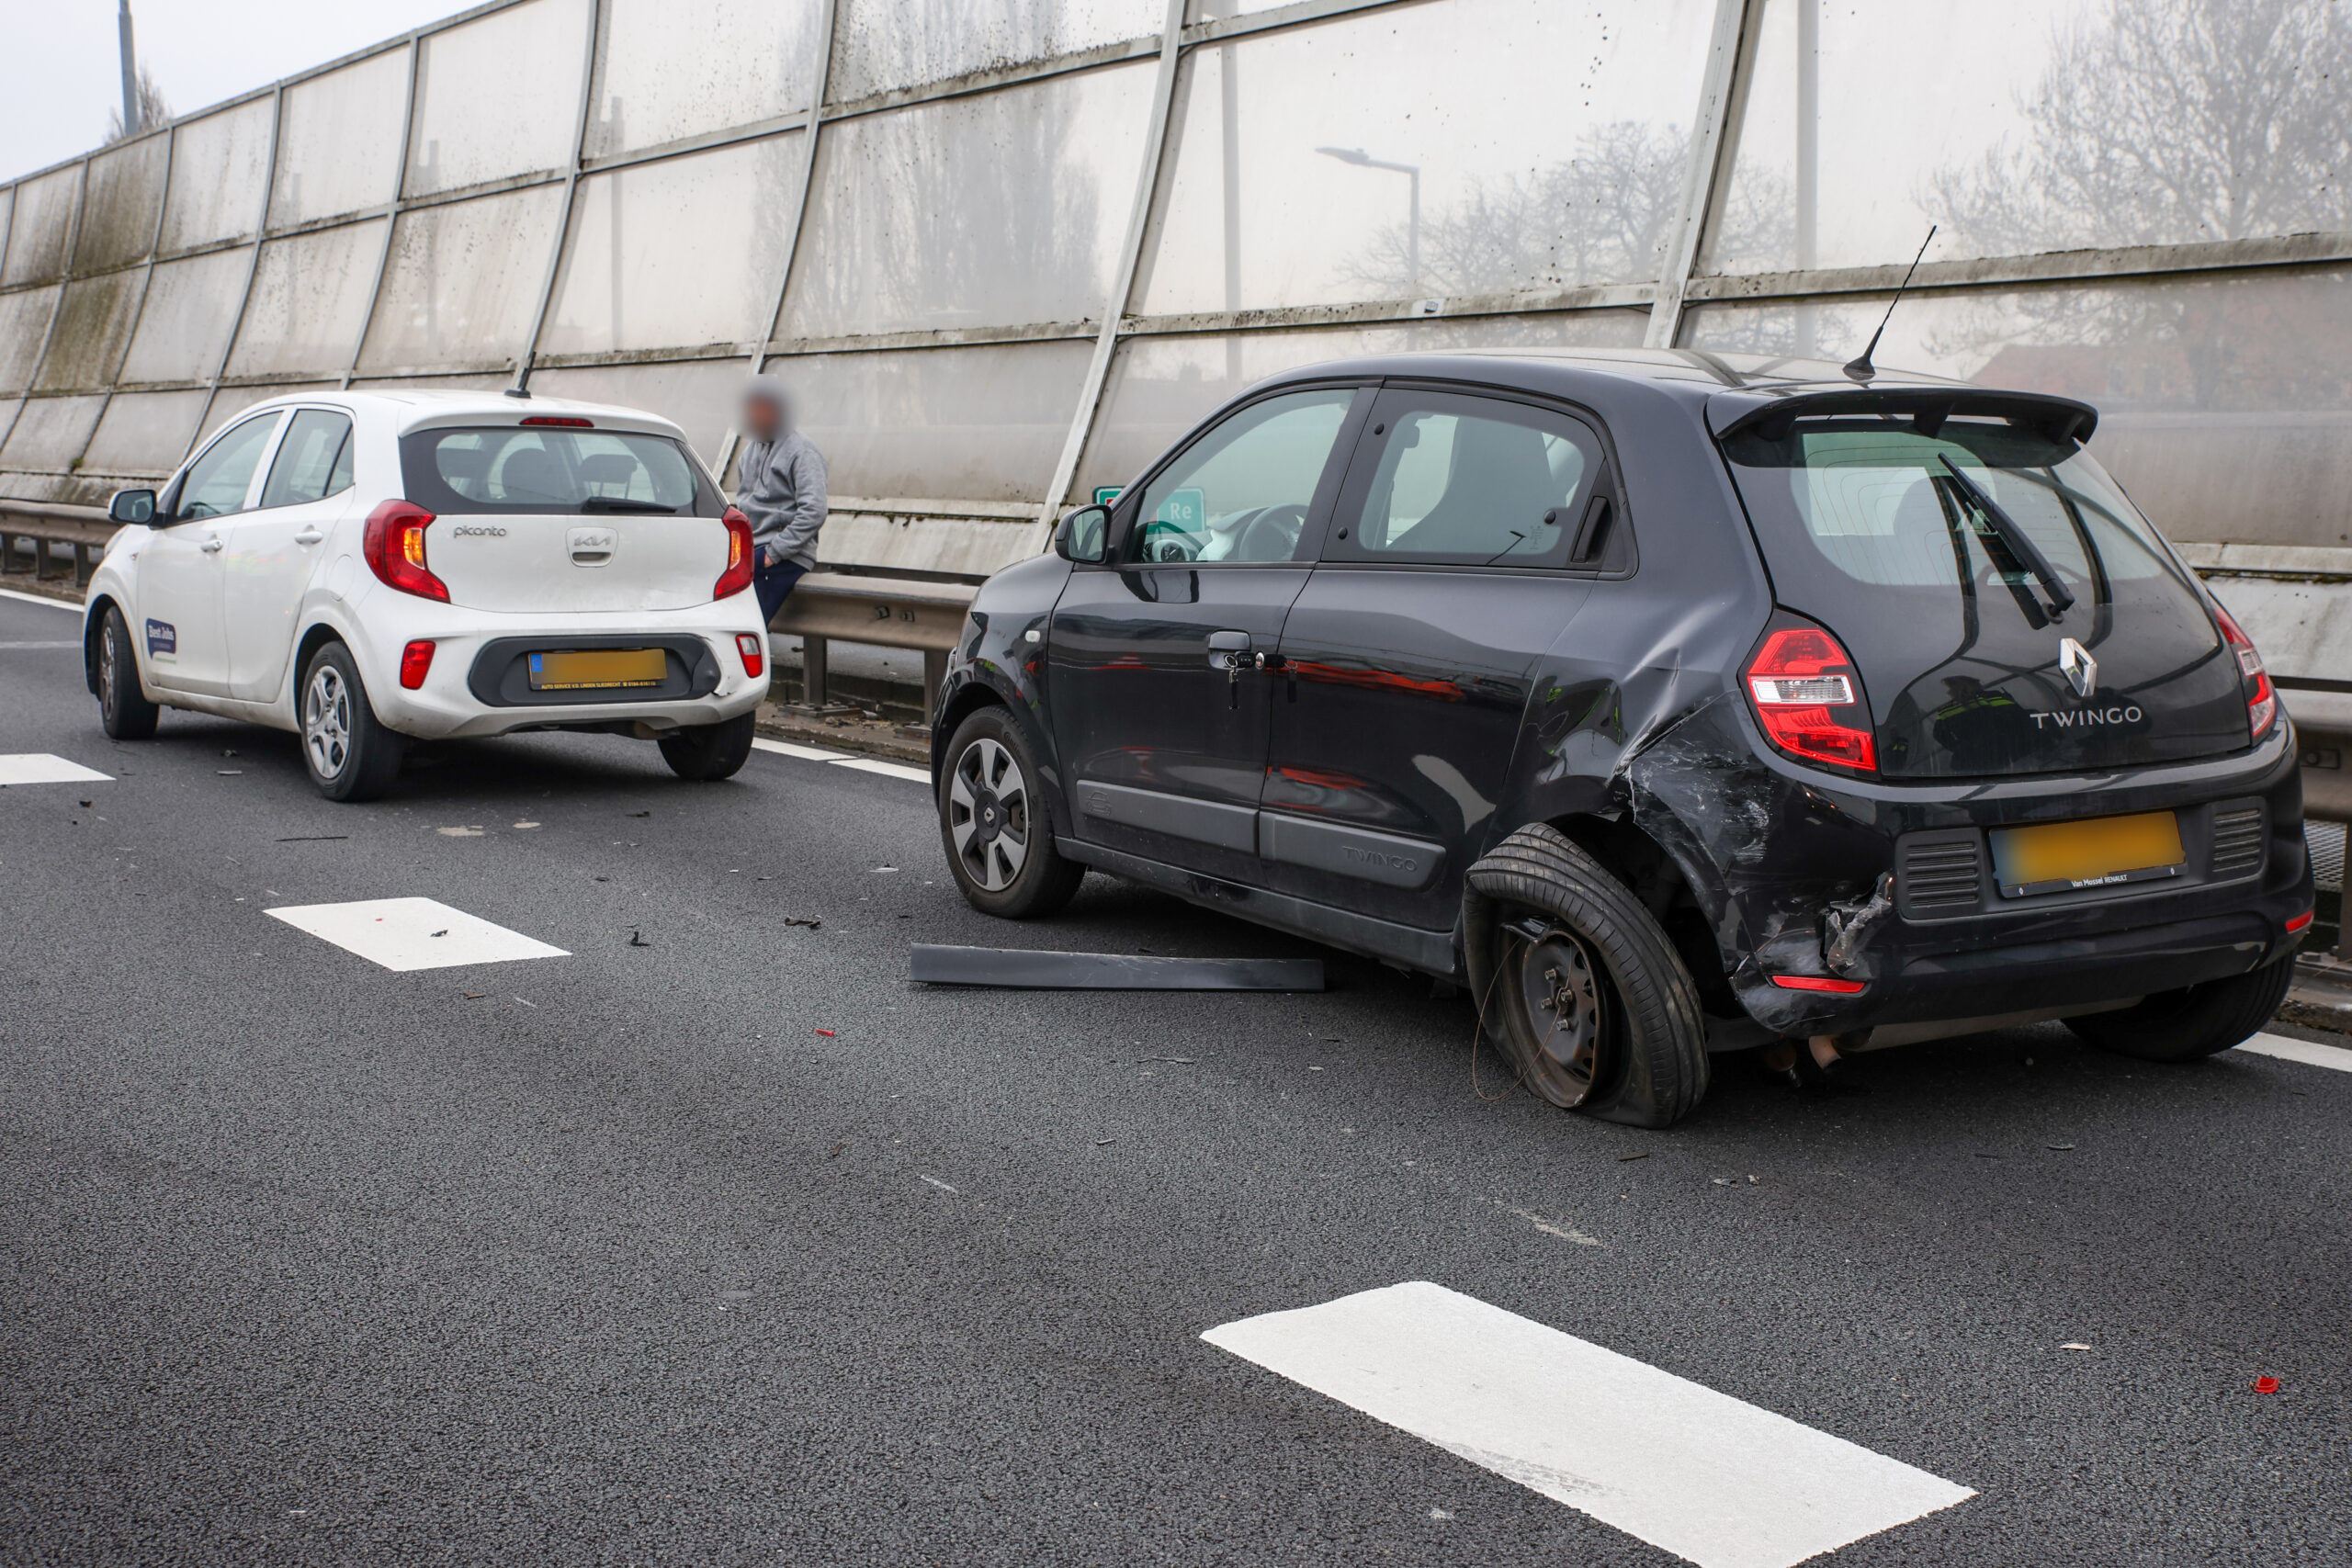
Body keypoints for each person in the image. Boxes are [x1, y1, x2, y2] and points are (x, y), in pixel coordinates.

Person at [734, 376, 828, 627]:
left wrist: (774, 553)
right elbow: (743, 504)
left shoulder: (802, 452)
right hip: (752, 552)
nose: (755, 414)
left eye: (762, 407)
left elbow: (815, 510)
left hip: (783, 556)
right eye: (751, 408)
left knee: (745, 627)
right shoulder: (750, 452)